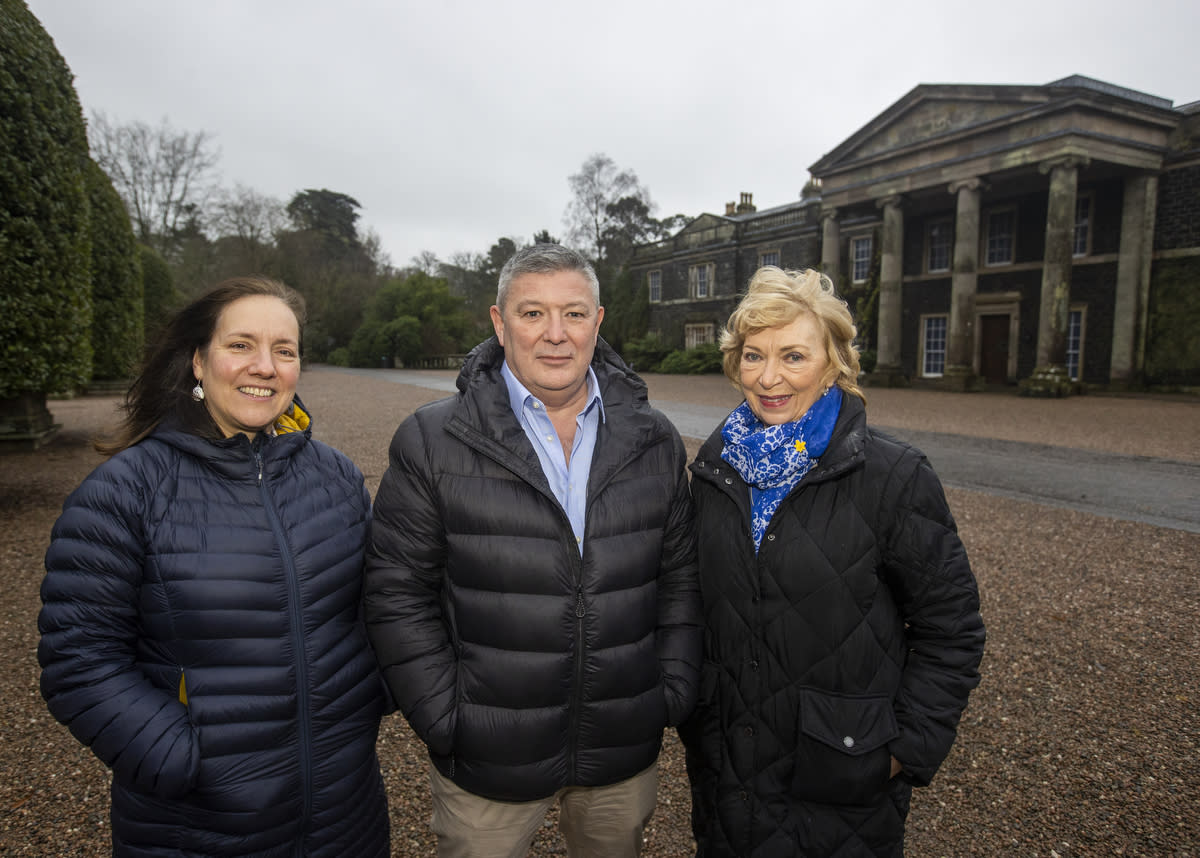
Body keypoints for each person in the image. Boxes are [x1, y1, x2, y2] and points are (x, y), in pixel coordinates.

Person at [364, 243, 701, 858]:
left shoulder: (654, 439)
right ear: (498, 322)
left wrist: (668, 691)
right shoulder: (432, 438)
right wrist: (447, 717)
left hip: (619, 745)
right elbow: (395, 592)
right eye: (531, 313)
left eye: (573, 314)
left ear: (598, 323)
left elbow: (679, 578)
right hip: (487, 749)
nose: (555, 335)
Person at [38, 276, 390, 857]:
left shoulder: (336, 476)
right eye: (241, 345)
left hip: (343, 814)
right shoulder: (125, 491)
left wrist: (368, 700)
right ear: (198, 362)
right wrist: (180, 760)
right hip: (199, 826)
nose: (265, 366)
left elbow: (373, 608)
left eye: (284, 350)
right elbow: (79, 662)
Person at [680, 266, 986, 857]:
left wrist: (900, 751)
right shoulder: (714, 469)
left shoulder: (893, 475)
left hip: (841, 780)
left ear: (834, 364)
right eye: (752, 355)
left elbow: (952, 630)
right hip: (727, 775)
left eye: (793, 356)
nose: (769, 377)